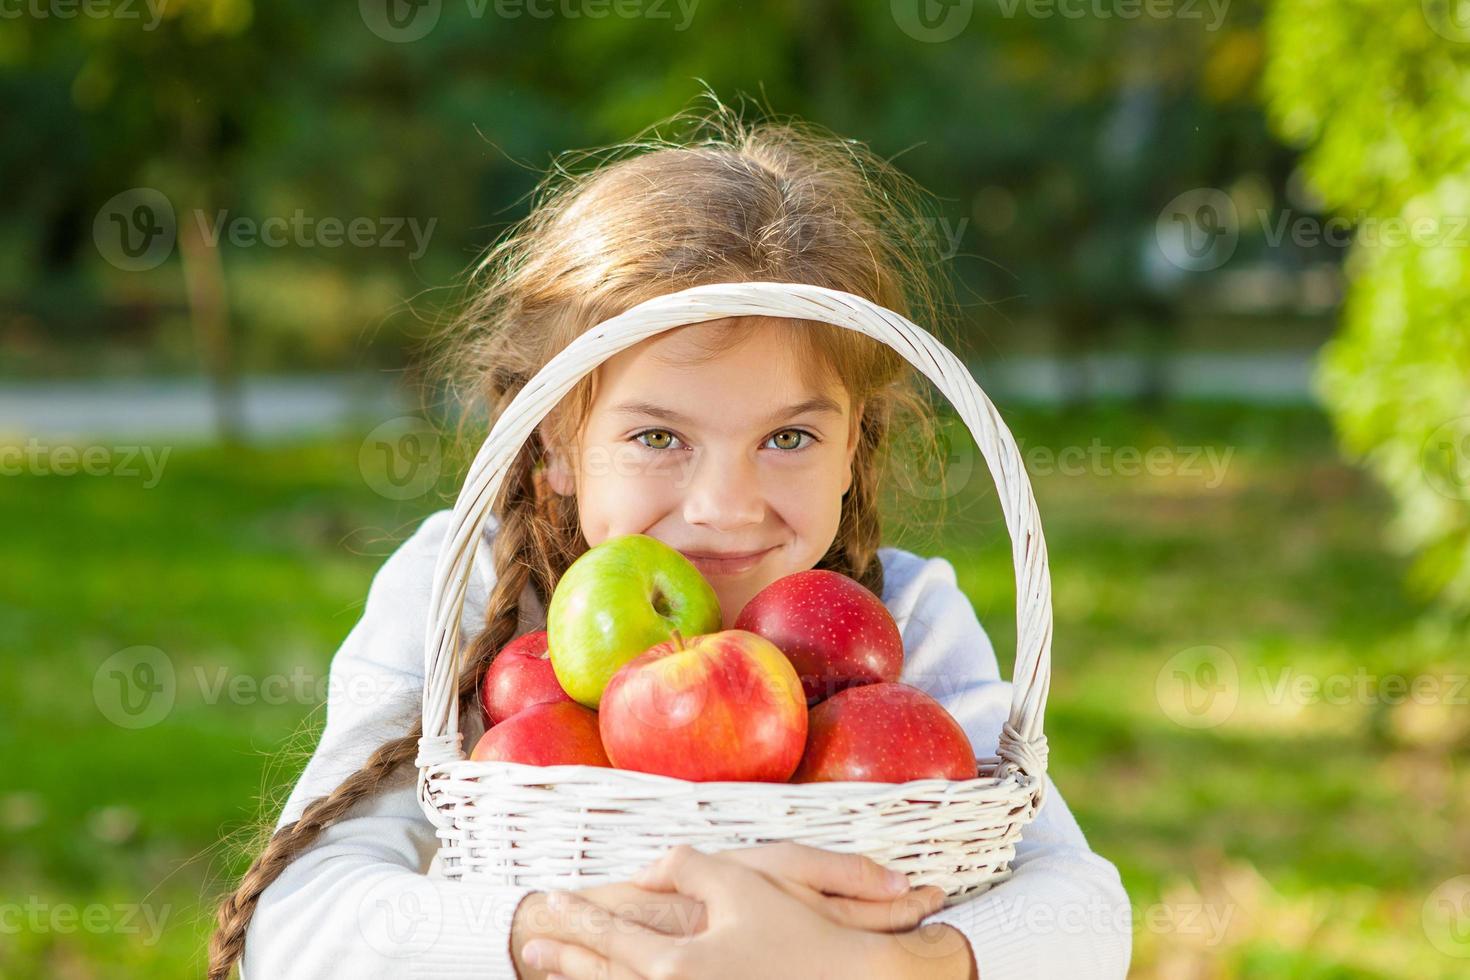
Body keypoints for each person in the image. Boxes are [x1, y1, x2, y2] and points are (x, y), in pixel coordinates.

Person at [208, 94, 1132, 980]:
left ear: (855, 448)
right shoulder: (466, 588)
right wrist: (568, 936)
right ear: (557, 443)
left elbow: (1087, 915)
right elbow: (295, 929)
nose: (725, 508)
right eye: (658, 437)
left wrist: (884, 965)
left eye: (789, 438)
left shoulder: (901, 622)